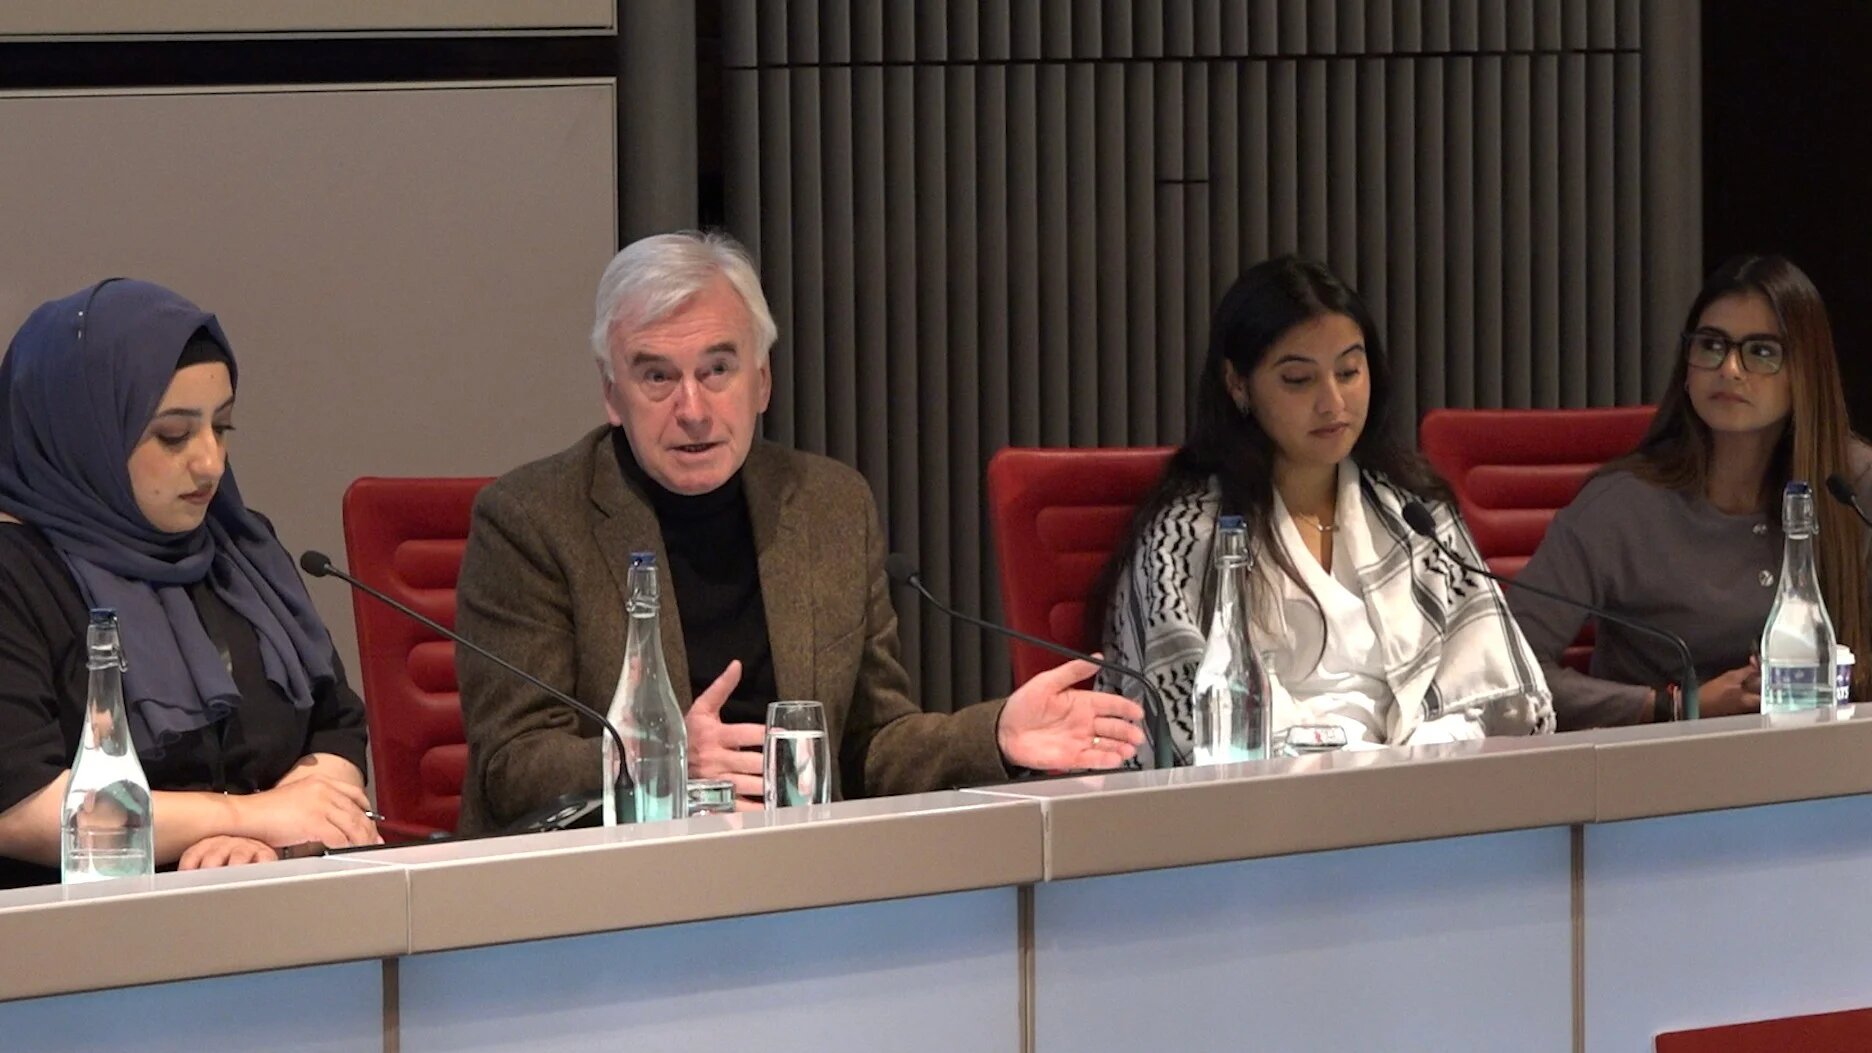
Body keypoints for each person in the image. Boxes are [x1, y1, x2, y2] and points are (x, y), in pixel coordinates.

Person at [454, 231, 1145, 832]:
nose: (692, 409)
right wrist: (661, 758)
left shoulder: (829, 506)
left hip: (801, 868)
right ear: (612, 394)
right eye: (657, 376)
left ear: (761, 381)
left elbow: (870, 745)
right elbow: (512, 766)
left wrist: (995, 735)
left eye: (717, 369)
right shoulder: (532, 521)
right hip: (610, 882)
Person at [1096, 256, 1553, 761]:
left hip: (1422, 782)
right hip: (1267, 793)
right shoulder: (1187, 536)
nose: (1333, 402)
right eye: (1298, 379)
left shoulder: (1415, 514)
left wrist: (1415, 760)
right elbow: (1187, 721)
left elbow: (1498, 695)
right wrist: (1352, 764)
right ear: (1238, 384)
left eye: (1349, 372)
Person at [0, 279, 379, 888]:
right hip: (74, 925)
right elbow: (20, 806)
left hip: (270, 889)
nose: (210, 463)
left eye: (221, 427)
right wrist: (251, 816)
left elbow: (337, 725)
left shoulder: (243, 548)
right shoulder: (16, 573)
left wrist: (282, 825)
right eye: (173, 435)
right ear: (82, 434)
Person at [1511, 254, 1872, 730]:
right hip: (1657, 760)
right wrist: (1675, 706)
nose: (1730, 369)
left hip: (1823, 757)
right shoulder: (1620, 504)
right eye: (1711, 345)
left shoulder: (1853, 486)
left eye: (1761, 351)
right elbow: (1508, 673)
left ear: (1806, 372)